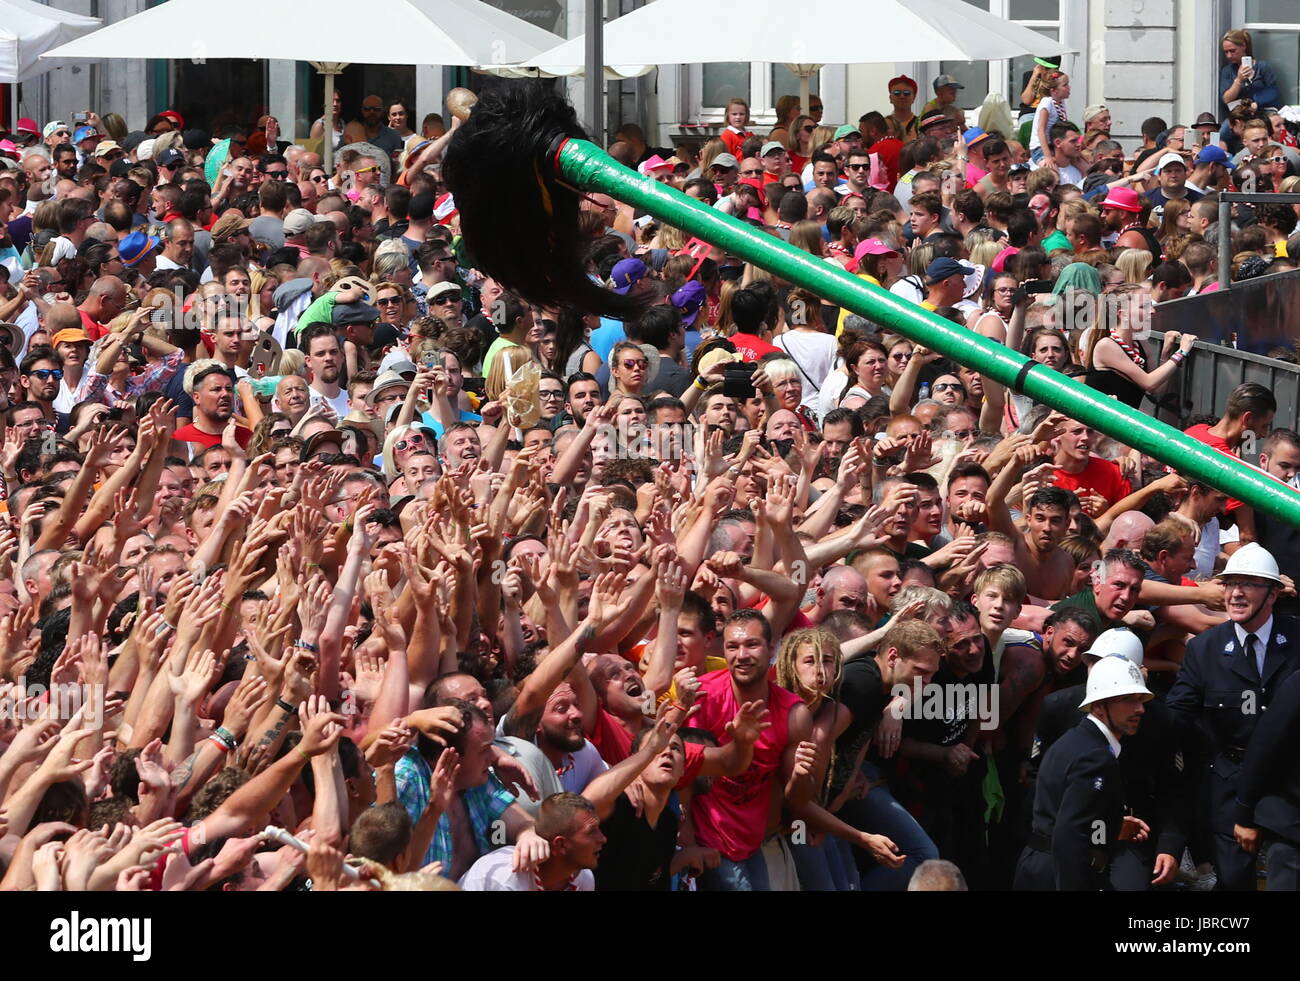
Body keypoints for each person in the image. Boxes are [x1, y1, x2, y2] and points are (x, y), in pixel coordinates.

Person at [1168, 543, 1300, 891]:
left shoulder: (1297, 639)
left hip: (1289, 786)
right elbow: (1178, 716)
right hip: (1229, 785)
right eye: (1230, 584)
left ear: (1273, 594)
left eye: (1249, 584)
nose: (1236, 593)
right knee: (1234, 882)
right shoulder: (1204, 648)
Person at [1014, 652, 1153, 890]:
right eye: (1128, 699)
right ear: (1098, 706)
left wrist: (1111, 826)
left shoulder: (1073, 741)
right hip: (1061, 875)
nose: (1140, 708)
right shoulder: (1095, 757)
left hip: (1039, 869)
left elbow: (1061, 815)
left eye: (1141, 699)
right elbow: (1069, 835)